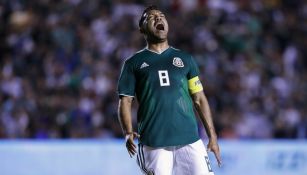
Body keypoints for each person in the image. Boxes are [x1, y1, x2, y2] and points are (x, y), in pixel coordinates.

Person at [117, 5, 222, 175]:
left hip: (190, 140)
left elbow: (199, 98)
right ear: (142, 29)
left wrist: (213, 136)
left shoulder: (185, 59)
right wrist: (128, 132)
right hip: (154, 142)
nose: (158, 18)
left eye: (161, 15)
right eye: (151, 17)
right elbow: (125, 101)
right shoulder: (133, 63)